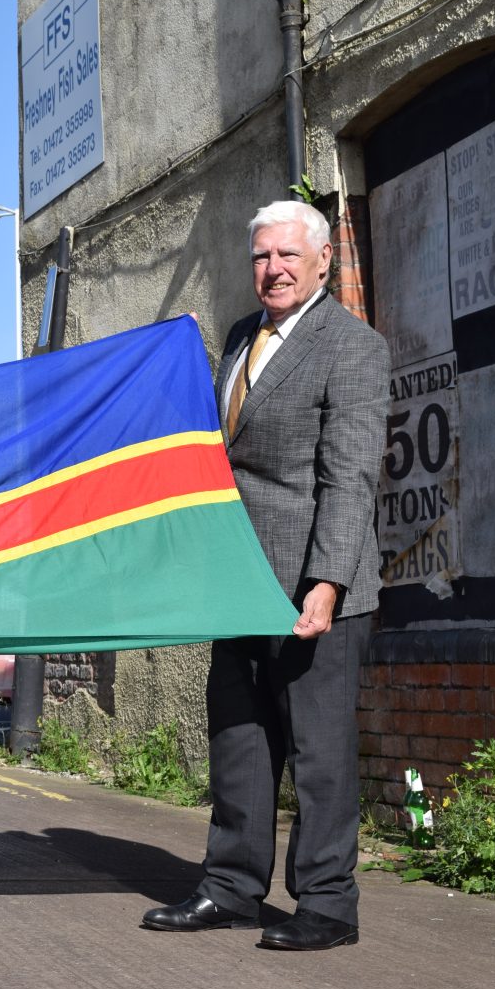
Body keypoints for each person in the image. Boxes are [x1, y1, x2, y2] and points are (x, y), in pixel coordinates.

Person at [141, 200, 390, 950]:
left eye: (287, 255)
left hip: (315, 589)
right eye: (260, 257)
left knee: (318, 756)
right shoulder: (240, 339)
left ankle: (326, 905)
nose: (273, 269)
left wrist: (327, 582)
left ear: (322, 263)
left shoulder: (353, 347)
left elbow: (349, 477)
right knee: (240, 744)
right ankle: (230, 888)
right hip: (239, 581)